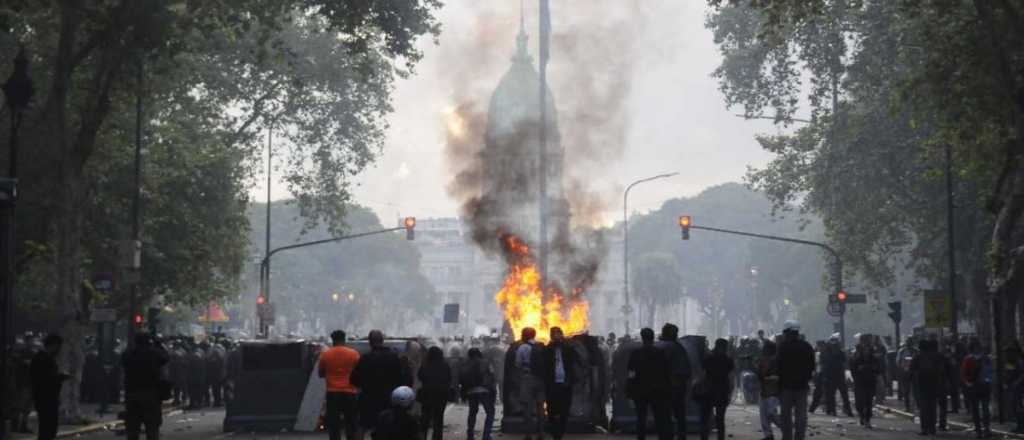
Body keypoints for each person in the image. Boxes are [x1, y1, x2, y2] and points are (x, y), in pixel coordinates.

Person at [352, 330, 411, 437]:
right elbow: (401, 379)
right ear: (383, 341)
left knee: (362, 425)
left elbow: (354, 379)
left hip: (368, 399)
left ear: (370, 342)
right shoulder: (393, 357)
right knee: (388, 427)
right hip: (388, 399)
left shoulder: (365, 358)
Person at [122, 333, 169, 440]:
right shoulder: (154, 353)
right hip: (151, 394)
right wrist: (158, 344)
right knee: (152, 428)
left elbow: (123, 361)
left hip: (132, 393)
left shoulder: (128, 354)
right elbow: (166, 358)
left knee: (133, 428)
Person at [627, 327, 672, 440]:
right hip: (657, 390)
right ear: (653, 338)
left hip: (640, 390)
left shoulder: (636, 354)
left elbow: (631, 373)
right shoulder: (660, 353)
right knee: (659, 417)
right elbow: (665, 372)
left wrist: (629, 388)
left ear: (642, 338)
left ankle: (641, 437)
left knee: (641, 418)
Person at [319, 330, 361, 440]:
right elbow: (359, 371)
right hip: (350, 392)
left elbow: (321, 373)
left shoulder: (325, 355)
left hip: (333, 392)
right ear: (344, 339)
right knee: (351, 422)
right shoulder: (354, 354)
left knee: (334, 424)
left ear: (333, 340)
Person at [777, 321, 814, 440]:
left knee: (785, 416)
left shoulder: (783, 347)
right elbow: (811, 366)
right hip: (801, 386)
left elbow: (778, 366)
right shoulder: (807, 346)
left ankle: (787, 437)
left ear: (787, 332)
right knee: (801, 416)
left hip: (786, 387)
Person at [656, 323, 692, 440]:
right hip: (676, 387)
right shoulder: (678, 348)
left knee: (663, 416)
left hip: (660, 388)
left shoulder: (658, 347)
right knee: (679, 416)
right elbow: (685, 370)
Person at [30, 334, 68, 440]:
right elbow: (45, 380)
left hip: (45, 398)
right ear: (54, 345)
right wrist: (60, 377)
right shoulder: (43, 359)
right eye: (58, 346)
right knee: (48, 429)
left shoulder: (43, 358)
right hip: (46, 399)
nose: (59, 350)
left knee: (48, 428)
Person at [542, 327, 576, 440]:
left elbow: (573, 366)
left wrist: (571, 380)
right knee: (552, 410)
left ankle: (559, 433)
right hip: (552, 385)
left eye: (558, 334)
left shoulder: (568, 349)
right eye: (554, 334)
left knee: (565, 410)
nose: (556, 336)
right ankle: (554, 432)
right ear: (551, 336)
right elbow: (544, 367)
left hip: (565, 385)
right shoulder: (547, 349)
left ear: (562, 335)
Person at [514, 327, 545, 440]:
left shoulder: (522, 347)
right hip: (541, 380)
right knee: (540, 406)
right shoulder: (541, 346)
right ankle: (541, 434)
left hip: (527, 379)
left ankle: (528, 435)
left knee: (527, 407)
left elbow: (517, 364)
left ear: (524, 335)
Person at [700, 339, 734, 440]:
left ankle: (704, 438)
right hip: (722, 391)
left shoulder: (708, 358)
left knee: (705, 419)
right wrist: (730, 393)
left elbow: (702, 374)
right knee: (720, 420)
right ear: (724, 347)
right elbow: (731, 377)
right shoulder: (728, 360)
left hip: (708, 391)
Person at [460, 347, 496, 440]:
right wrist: (493, 391)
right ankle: (486, 435)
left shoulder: (465, 364)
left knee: (472, 413)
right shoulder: (486, 362)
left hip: (471, 391)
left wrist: (463, 393)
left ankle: (470, 435)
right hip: (484, 391)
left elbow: (462, 379)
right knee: (490, 412)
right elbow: (492, 377)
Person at [417, 347, 451, 440]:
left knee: (425, 419)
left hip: (427, 394)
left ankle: (422, 437)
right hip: (441, 396)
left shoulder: (425, 365)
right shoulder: (445, 365)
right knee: (438, 419)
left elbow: (420, 376)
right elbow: (449, 378)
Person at [961, 340, 993, 438]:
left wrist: (968, 383)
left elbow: (963, 374)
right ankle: (984, 429)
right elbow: (990, 372)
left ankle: (980, 430)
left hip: (976, 386)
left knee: (978, 409)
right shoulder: (985, 358)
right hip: (982, 386)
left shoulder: (968, 359)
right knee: (983, 409)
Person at [850, 335, 881, 428]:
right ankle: (862, 416)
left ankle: (867, 419)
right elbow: (852, 366)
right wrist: (858, 371)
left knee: (868, 401)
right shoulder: (856, 353)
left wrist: (873, 368)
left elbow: (878, 367)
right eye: (865, 342)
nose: (866, 345)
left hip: (870, 380)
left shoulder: (873, 353)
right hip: (859, 380)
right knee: (859, 401)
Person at [820, 336, 853, 417]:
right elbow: (824, 365)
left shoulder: (835, 352)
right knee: (834, 395)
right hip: (833, 375)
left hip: (836, 375)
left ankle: (843, 410)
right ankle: (836, 410)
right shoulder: (828, 353)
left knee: (839, 394)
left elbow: (844, 361)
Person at [757, 341, 781, 440]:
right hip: (764, 390)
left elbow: (778, 376)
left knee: (771, 412)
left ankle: (784, 426)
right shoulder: (761, 361)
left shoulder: (776, 361)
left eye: (765, 348)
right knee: (763, 415)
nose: (763, 350)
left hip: (773, 391)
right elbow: (759, 375)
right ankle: (768, 435)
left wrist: (769, 378)